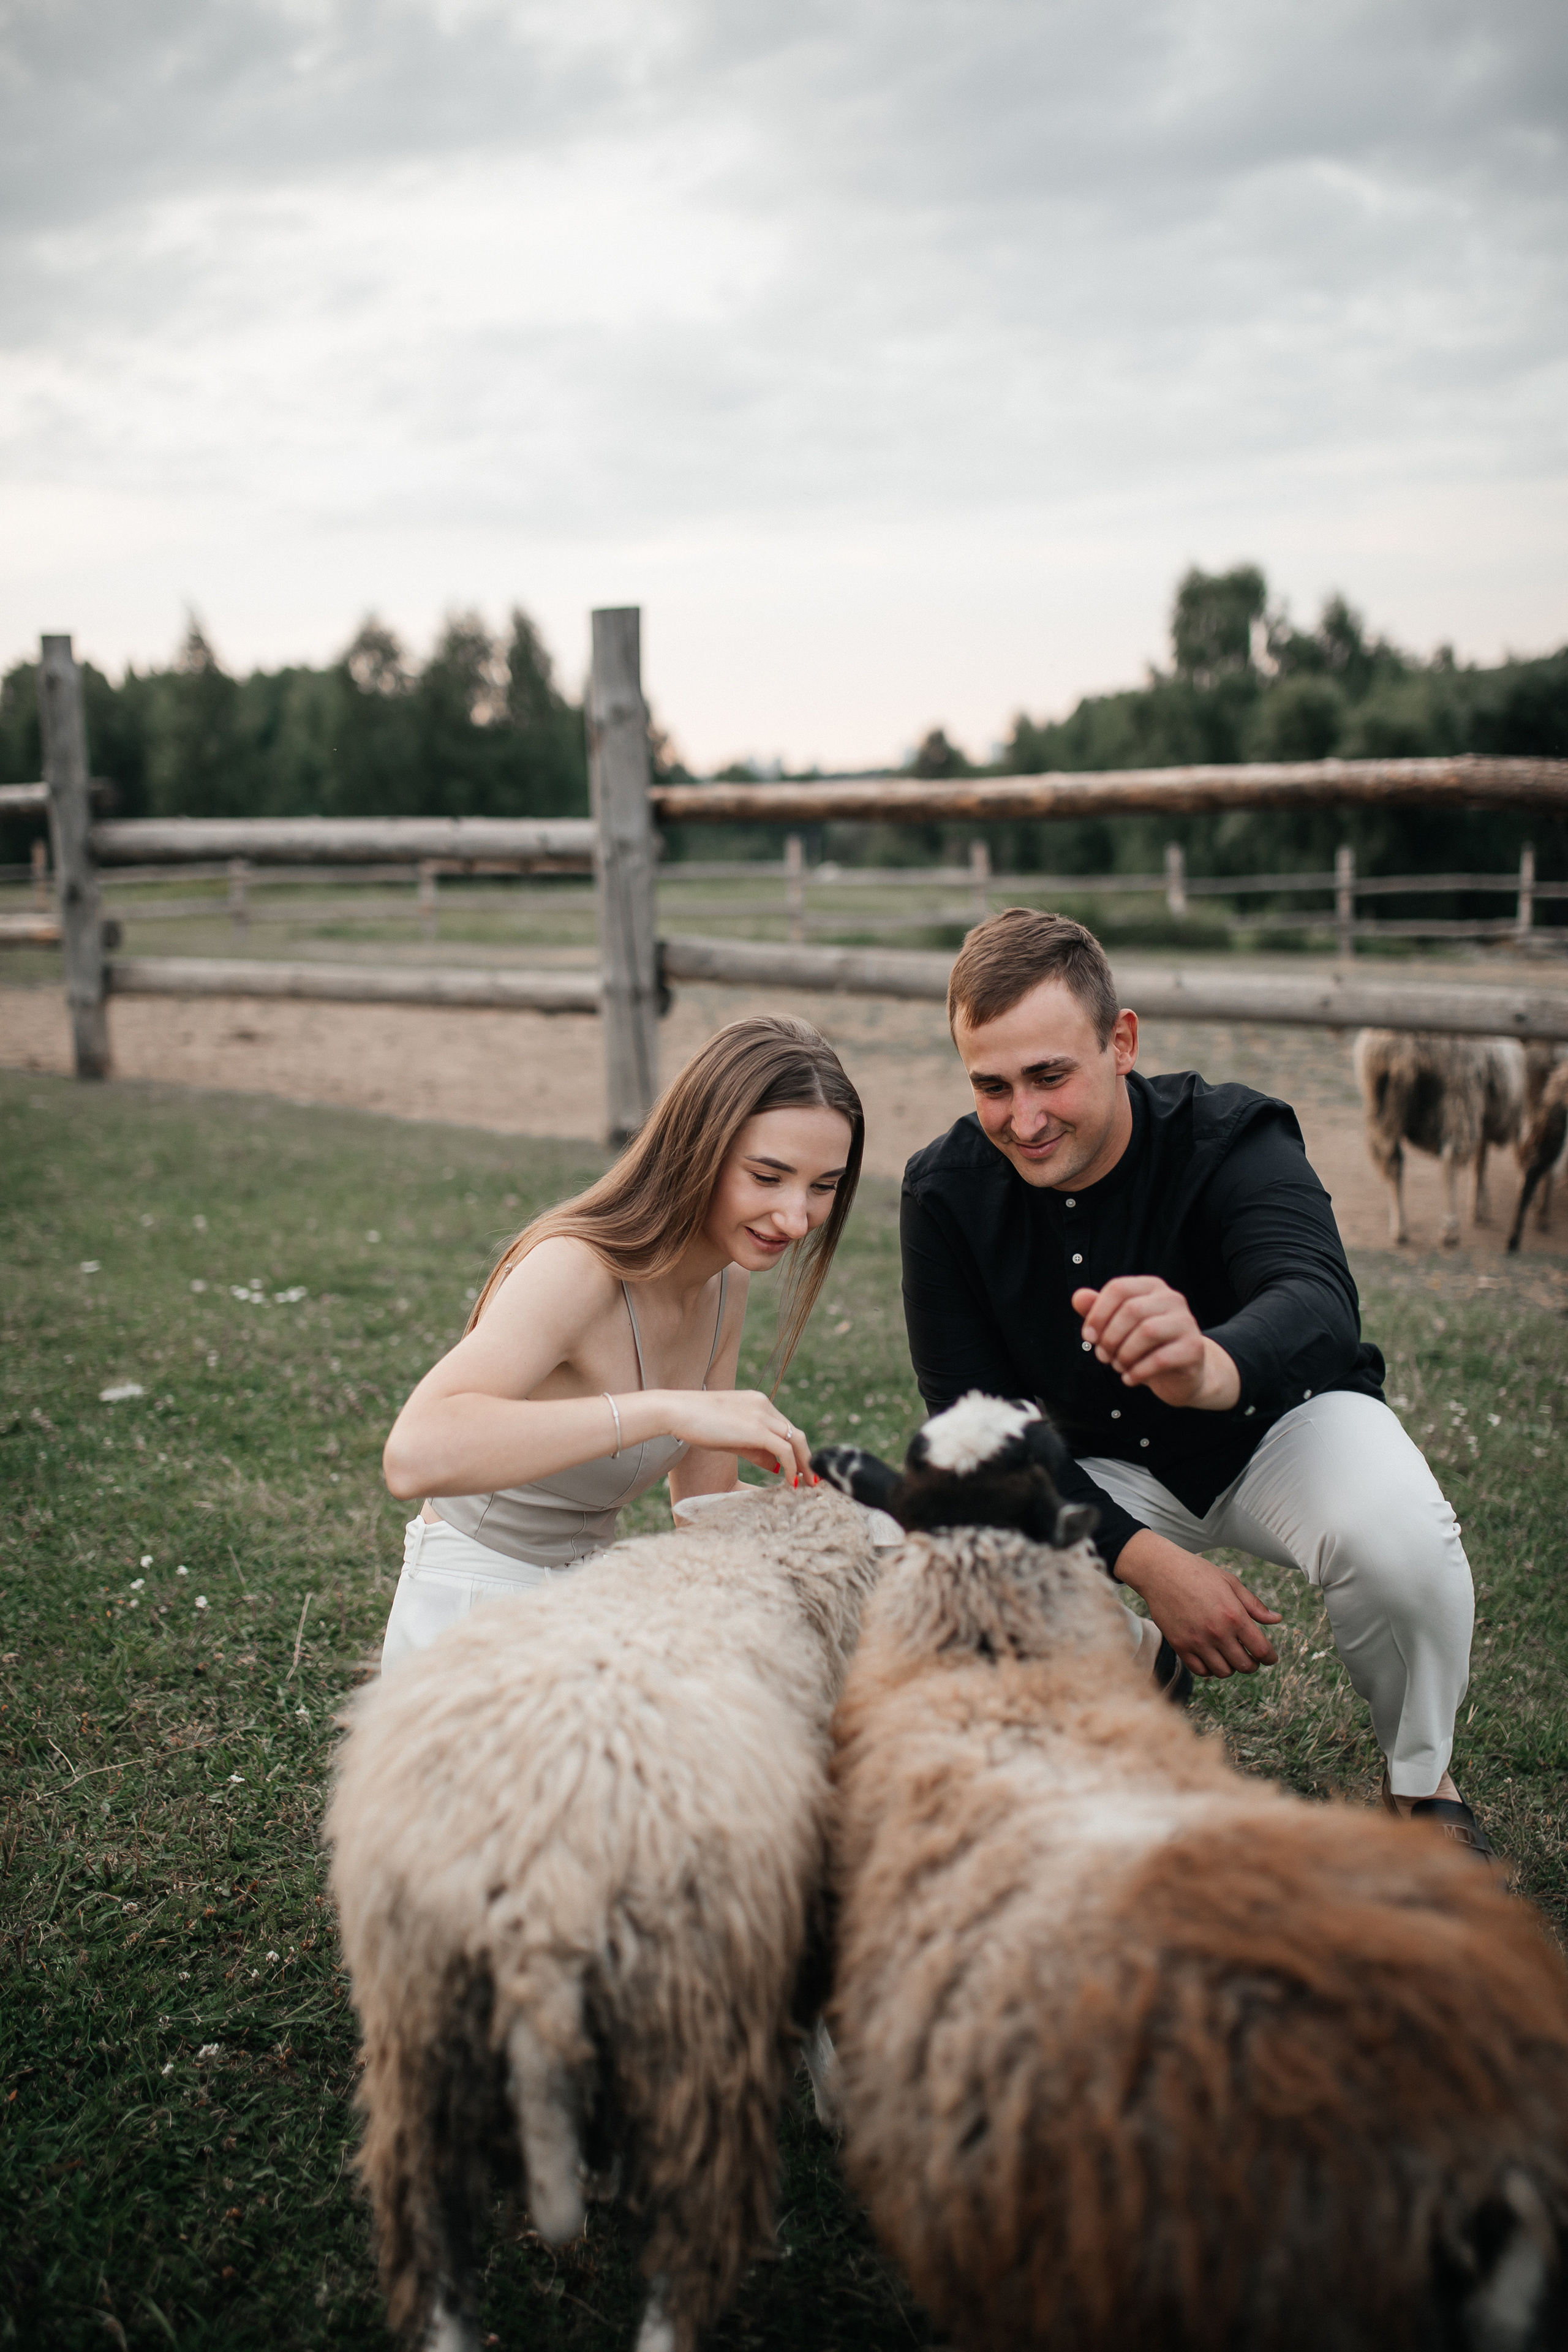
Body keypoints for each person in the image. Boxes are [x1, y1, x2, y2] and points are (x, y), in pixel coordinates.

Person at [900, 907, 1494, 1859]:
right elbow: (974, 1421)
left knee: (1399, 1541)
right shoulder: (944, 1192)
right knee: (964, 1576)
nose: (1026, 1117)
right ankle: (1141, 1660)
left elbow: (1316, 1296)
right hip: (1101, 1463)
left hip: (1280, 1427)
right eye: (993, 1086)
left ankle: (1421, 1779)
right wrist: (1140, 1558)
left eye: (1052, 1075)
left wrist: (1214, 1366)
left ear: (1121, 1041)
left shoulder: (1232, 1133)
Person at [379, 1014, 862, 1669]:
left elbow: (701, 1508)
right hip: (472, 1605)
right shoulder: (574, 1270)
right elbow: (413, 1456)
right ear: (700, 1148)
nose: (797, 1217)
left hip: (591, 1603)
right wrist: (665, 1410)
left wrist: (850, 1526)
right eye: (768, 1177)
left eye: (824, 1186)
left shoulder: (726, 1283)